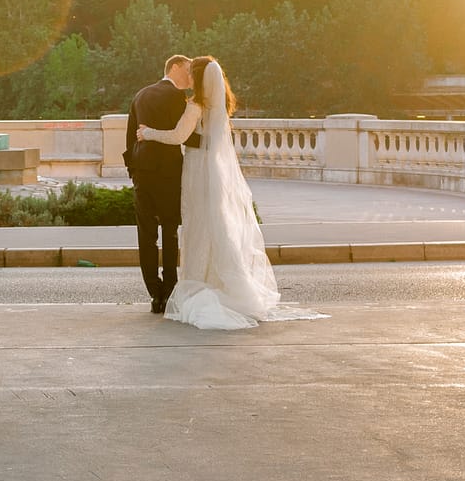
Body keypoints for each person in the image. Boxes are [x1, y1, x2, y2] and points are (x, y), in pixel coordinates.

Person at [137, 56, 327, 330]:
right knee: (215, 224)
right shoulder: (218, 106)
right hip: (211, 170)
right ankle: (224, 281)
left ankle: (200, 281)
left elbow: (178, 136)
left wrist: (149, 133)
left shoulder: (195, 105)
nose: (188, 76)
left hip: (197, 172)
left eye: (192, 73)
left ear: (200, 78)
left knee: (199, 226)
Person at [124, 55, 199, 313]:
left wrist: (133, 171)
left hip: (142, 174)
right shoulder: (177, 98)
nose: (191, 77)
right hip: (168, 174)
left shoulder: (140, 95)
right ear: (174, 67)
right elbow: (183, 136)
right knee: (169, 231)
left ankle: (154, 293)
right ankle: (169, 291)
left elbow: (129, 138)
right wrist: (211, 144)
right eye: (188, 70)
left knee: (145, 235)